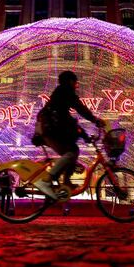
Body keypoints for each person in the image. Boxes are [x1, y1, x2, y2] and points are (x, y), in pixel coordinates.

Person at [33, 71, 105, 199]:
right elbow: (80, 108)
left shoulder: (60, 96)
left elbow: (68, 121)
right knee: (71, 152)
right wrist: (95, 120)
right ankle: (47, 181)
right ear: (70, 81)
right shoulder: (65, 92)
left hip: (48, 128)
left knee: (73, 150)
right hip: (48, 129)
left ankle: (66, 181)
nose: (76, 86)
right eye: (75, 82)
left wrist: (84, 134)